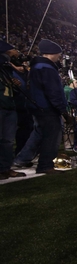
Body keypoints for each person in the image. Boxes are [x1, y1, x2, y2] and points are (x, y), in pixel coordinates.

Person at [15, 39, 68, 174]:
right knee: (52, 136)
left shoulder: (37, 66)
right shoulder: (47, 68)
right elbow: (53, 91)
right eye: (58, 54)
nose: (59, 57)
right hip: (46, 107)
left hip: (36, 106)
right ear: (52, 54)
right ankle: (45, 165)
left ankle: (22, 158)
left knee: (38, 133)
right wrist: (62, 110)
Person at [0, 40, 26, 179]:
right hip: (2, 105)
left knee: (8, 141)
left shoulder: (8, 68)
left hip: (9, 105)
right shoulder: (5, 64)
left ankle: (5, 168)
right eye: (14, 49)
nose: (17, 52)